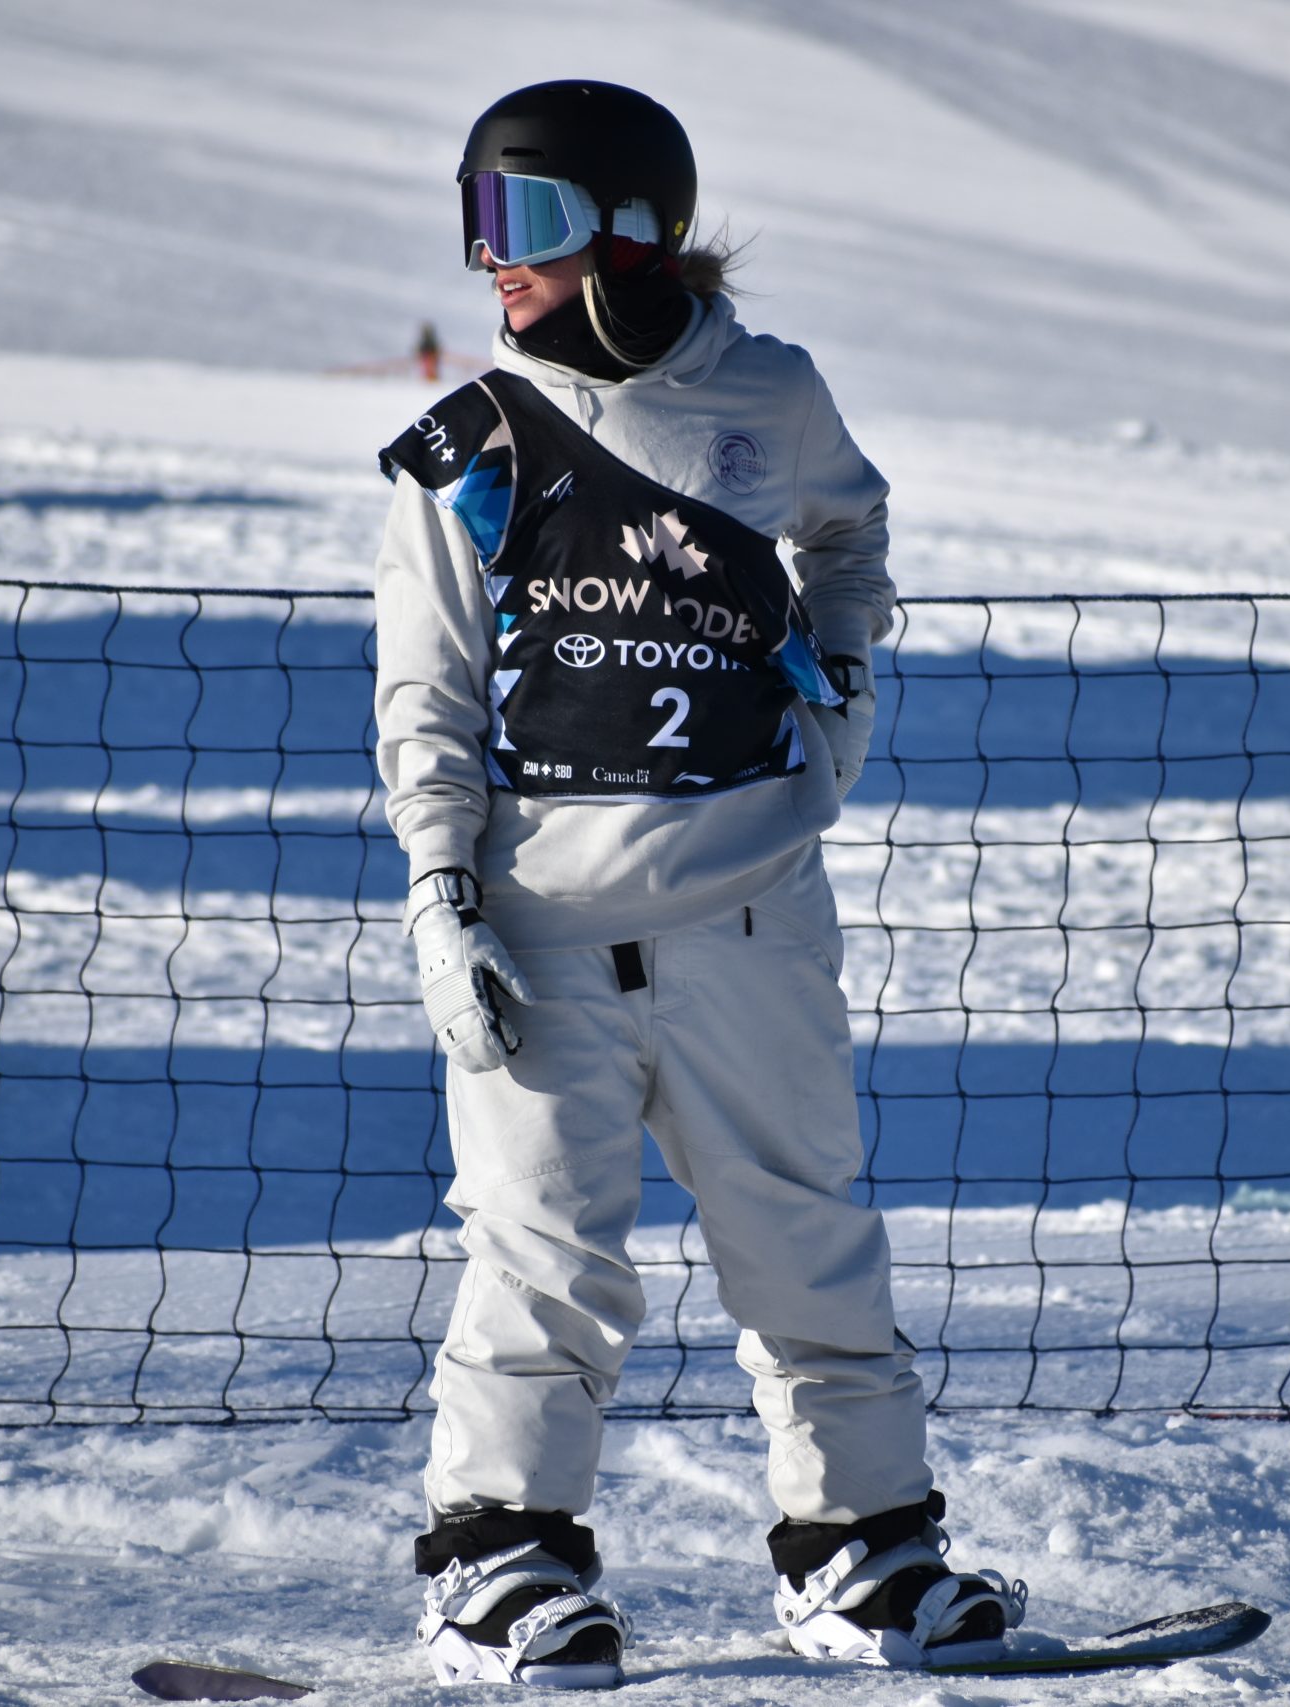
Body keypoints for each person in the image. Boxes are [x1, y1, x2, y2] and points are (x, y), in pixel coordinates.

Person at [373, 80, 1026, 1688]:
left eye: (517, 223)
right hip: (542, 931)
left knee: (803, 1238)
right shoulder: (473, 442)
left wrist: (843, 692)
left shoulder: (774, 398)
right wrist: (442, 899)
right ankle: (497, 1563)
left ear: (630, 229)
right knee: (545, 1251)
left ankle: (861, 1556)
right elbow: (429, 698)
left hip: (750, 912)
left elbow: (850, 536)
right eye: (474, 222)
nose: (490, 265)